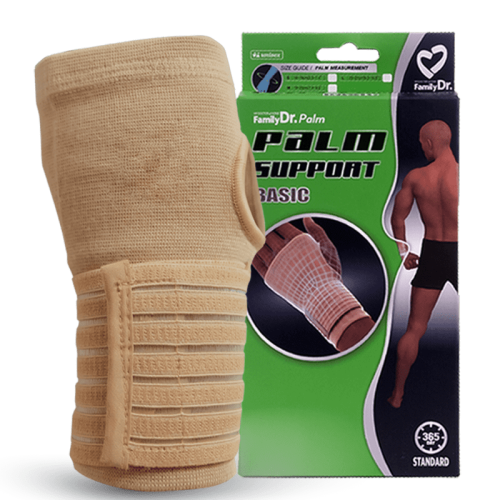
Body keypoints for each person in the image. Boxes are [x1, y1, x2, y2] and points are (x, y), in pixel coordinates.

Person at [388, 120, 459, 409]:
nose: (421, 147)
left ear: (429, 143)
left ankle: (397, 395)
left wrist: (404, 252)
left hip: (433, 253)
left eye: (421, 142)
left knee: (415, 328)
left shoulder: (416, 177)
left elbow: (397, 219)